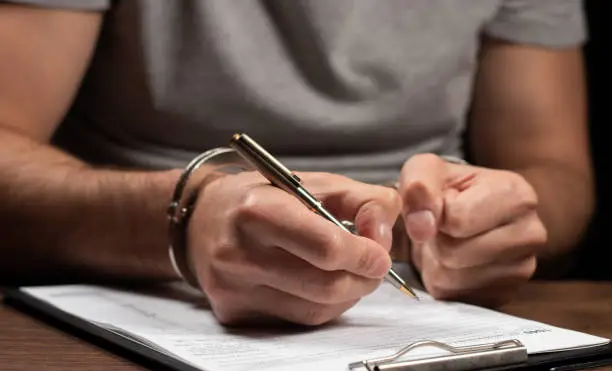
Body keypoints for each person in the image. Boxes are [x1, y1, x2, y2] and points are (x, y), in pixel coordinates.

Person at [0, 1, 594, 326]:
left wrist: (494, 220)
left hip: (430, 311)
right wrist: (180, 221)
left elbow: (553, 168)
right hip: (134, 292)